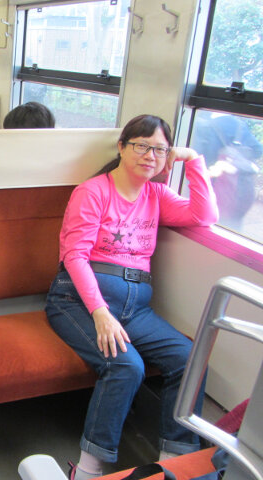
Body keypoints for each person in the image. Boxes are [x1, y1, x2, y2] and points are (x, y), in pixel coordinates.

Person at [44, 114, 218, 480]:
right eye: (141, 145)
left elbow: (205, 215)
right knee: (127, 365)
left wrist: (194, 160)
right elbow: (74, 256)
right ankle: (89, 468)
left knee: (189, 358)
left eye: (159, 149)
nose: (150, 155)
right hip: (76, 300)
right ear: (122, 147)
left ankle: (175, 459)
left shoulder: (156, 194)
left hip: (135, 306)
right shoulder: (93, 191)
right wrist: (100, 312)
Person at [191, 114, 262, 230]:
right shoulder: (236, 124)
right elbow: (258, 150)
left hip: (209, 197)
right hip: (236, 198)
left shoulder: (197, 126)